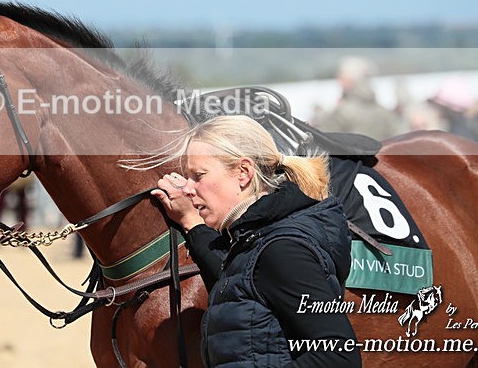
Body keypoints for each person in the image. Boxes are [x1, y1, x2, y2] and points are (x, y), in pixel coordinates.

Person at [148, 115, 360, 366]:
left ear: (243, 172)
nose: (188, 188)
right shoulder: (257, 241)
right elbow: (240, 283)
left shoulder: (281, 249)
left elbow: (339, 357)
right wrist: (191, 223)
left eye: (199, 175)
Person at [315, 56, 405, 140]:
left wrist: (320, 116)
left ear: (350, 79)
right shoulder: (384, 112)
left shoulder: (343, 111)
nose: (338, 80)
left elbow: (322, 141)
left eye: (341, 76)